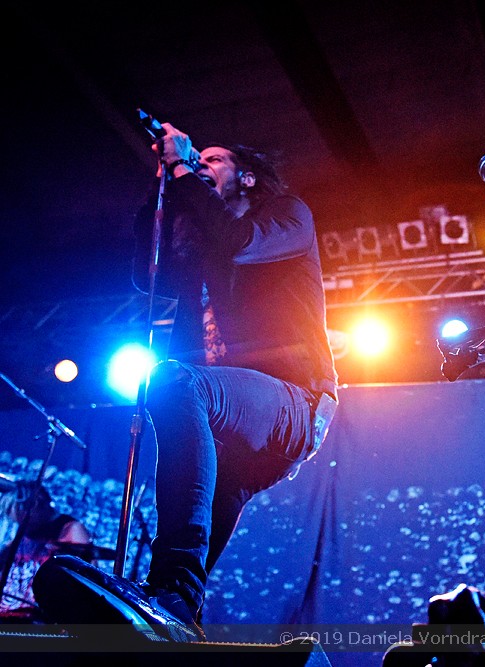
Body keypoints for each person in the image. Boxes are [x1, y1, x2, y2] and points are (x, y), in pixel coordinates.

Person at [34, 122, 339, 641]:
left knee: (174, 380)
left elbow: (239, 242)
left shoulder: (286, 216)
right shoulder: (204, 251)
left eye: (214, 160)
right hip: (231, 427)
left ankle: (170, 591)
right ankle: (173, 607)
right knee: (191, 554)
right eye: (199, 158)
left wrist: (182, 167)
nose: (202, 164)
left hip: (295, 401)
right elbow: (146, 273)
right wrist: (165, 185)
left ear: (246, 178)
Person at [0, 481, 92, 621]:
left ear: (36, 505)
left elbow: (84, 580)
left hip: (40, 617)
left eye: (24, 519)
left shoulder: (70, 530)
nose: (23, 525)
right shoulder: (24, 534)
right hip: (9, 612)